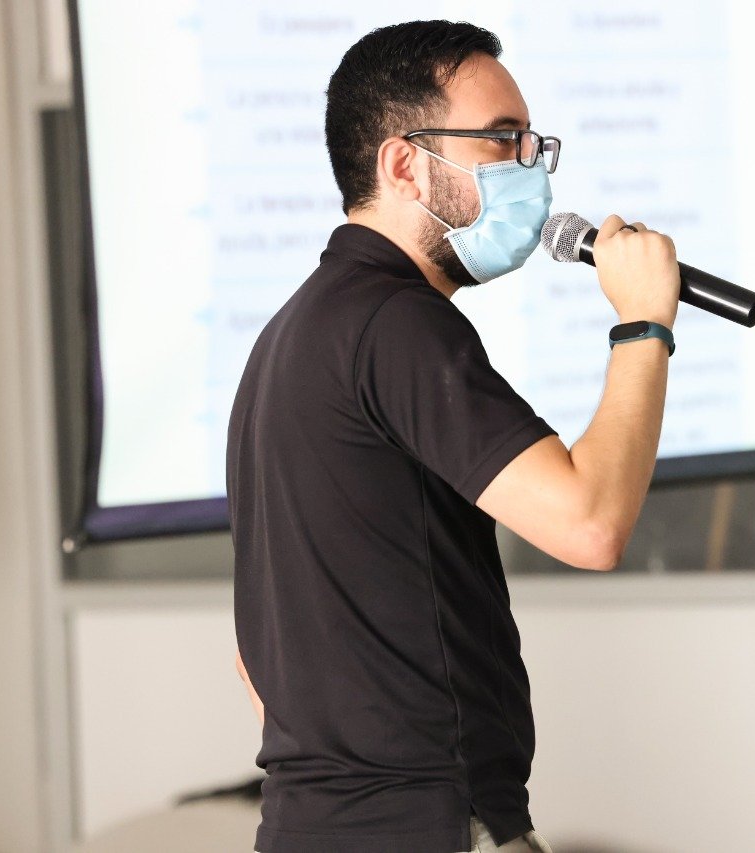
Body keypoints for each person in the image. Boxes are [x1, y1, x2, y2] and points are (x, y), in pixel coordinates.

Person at [227, 19, 680, 853]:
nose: (530, 168)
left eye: (533, 143)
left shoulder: (287, 339)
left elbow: (258, 660)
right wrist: (644, 324)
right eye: (502, 140)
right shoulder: (395, 324)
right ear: (405, 165)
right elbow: (590, 523)